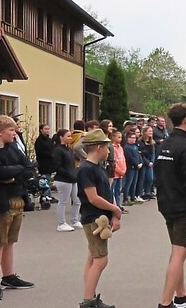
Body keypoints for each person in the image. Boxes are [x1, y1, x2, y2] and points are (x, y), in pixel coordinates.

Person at [0, 115, 35, 301]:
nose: (15, 132)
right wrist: (13, 173)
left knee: (10, 241)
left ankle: (8, 277)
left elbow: (30, 168)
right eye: (11, 130)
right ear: (0, 132)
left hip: (17, 199)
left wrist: (12, 175)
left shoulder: (13, 150)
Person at [154, 103, 186, 308]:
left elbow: (158, 175)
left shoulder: (164, 144)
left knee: (177, 250)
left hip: (167, 203)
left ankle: (181, 294)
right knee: (179, 253)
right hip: (183, 207)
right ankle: (165, 303)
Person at [76, 129, 121, 308]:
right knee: (101, 259)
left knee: (93, 257)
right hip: (93, 217)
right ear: (98, 147)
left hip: (101, 216)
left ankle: (90, 295)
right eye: (107, 147)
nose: (109, 151)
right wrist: (114, 209)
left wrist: (115, 213)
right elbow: (93, 197)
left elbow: (108, 193)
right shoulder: (85, 169)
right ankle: (88, 301)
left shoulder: (98, 168)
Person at [52, 129, 82, 232]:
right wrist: (69, 174)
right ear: (61, 137)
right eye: (68, 136)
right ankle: (61, 223)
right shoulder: (57, 150)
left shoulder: (68, 149)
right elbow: (57, 166)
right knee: (63, 201)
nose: (70, 138)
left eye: (70, 136)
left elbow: (72, 164)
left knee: (77, 200)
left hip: (73, 178)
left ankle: (74, 220)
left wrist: (75, 173)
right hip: (63, 180)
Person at [122, 132, 143, 205]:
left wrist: (141, 162)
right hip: (130, 167)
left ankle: (133, 197)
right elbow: (129, 158)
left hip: (136, 168)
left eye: (135, 138)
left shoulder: (135, 147)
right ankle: (125, 199)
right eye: (133, 138)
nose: (134, 139)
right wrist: (136, 164)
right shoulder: (126, 147)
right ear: (128, 138)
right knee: (128, 183)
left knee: (134, 183)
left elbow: (139, 155)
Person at [137, 127, 156, 200]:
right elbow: (141, 153)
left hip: (150, 161)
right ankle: (141, 193)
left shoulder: (152, 142)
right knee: (142, 178)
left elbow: (153, 153)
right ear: (144, 132)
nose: (151, 132)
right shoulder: (140, 142)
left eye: (151, 131)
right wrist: (147, 162)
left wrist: (152, 161)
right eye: (149, 131)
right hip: (143, 161)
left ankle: (148, 192)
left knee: (150, 178)